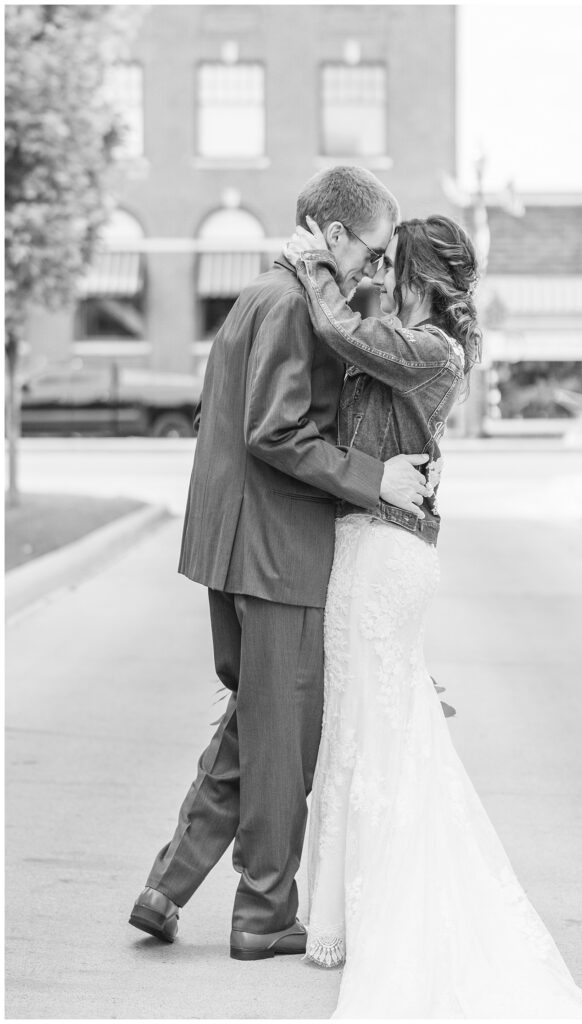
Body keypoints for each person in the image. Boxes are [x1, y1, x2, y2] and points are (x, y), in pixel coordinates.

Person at [283, 215, 582, 1017]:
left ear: (423, 275)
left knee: (381, 725)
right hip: (367, 544)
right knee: (365, 721)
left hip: (392, 551)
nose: (383, 272)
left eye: (394, 263)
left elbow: (340, 331)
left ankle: (389, 899)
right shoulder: (402, 332)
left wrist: (312, 266)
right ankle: (348, 903)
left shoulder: (433, 351)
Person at [128, 166, 431, 961]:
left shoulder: (264, 291)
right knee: (283, 744)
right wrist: (378, 480)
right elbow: (275, 431)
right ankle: (264, 913)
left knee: (252, 721)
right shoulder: (296, 307)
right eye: (371, 250)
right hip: (279, 551)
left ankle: (168, 885)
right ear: (334, 234)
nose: (375, 269)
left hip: (236, 549)